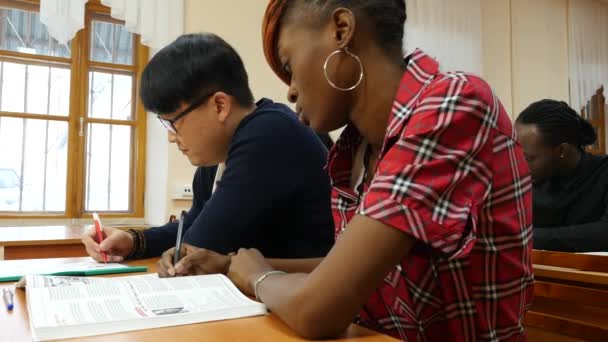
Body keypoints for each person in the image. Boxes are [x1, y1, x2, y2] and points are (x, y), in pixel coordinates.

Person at [216, 1, 535, 340]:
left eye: (288, 65)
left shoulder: (454, 103)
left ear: (341, 30)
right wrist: (231, 265)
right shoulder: (359, 148)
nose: (291, 89)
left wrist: (258, 278)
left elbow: (317, 311)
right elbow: (347, 273)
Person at [81, 33, 335, 272]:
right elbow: (190, 227)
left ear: (220, 105)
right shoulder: (215, 159)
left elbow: (198, 247)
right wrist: (133, 240)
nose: (171, 137)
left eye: (173, 122)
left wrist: (181, 251)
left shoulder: (269, 132)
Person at [515, 99, 608, 252]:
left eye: (528, 158)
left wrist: (526, 236)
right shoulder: (523, 181)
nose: (519, 166)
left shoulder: (603, 173)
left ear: (562, 151)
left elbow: (604, 233)